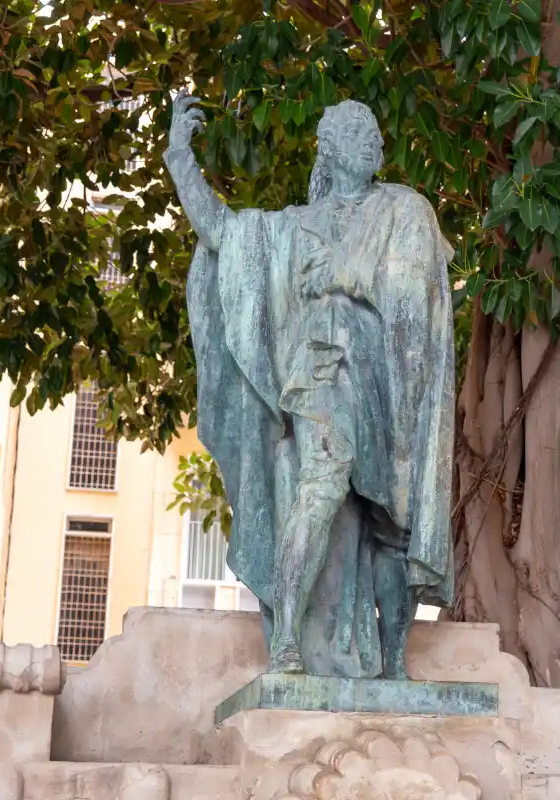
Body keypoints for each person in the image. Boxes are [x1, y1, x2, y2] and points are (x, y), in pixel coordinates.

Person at [163, 91, 455, 679]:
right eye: (356, 131)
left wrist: (347, 271)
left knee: (394, 526)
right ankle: (288, 642)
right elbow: (223, 232)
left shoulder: (406, 211)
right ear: (330, 148)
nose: (372, 140)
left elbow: (415, 286)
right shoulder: (294, 228)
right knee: (318, 491)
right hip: (323, 374)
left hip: (391, 385)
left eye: (374, 132)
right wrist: (180, 159)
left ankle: (395, 665)